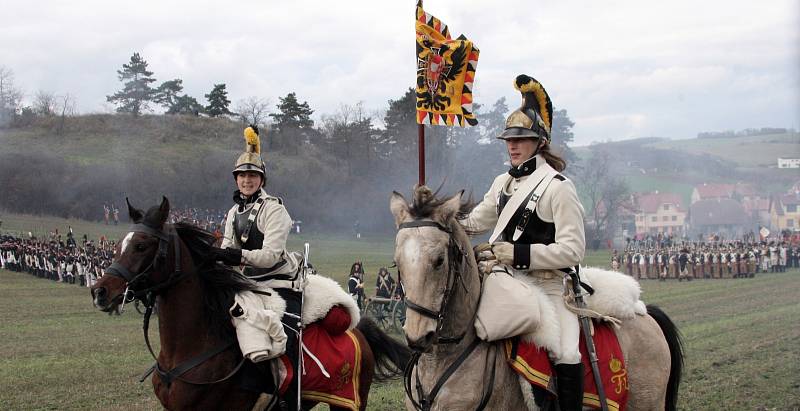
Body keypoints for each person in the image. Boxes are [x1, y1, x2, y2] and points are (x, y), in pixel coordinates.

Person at [458, 75, 586, 410]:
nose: (513, 146)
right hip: (506, 282)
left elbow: (573, 251)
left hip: (550, 287)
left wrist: (518, 254)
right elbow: (474, 223)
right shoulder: (502, 182)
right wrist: (438, 218)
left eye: (523, 140)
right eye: (509, 141)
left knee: (567, 350)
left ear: (539, 142)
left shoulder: (558, 187)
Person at [212, 125, 303, 410]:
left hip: (279, 281)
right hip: (247, 283)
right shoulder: (232, 212)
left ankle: (285, 390)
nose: (246, 180)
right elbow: (227, 246)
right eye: (242, 175)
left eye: (252, 175)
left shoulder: (275, 210)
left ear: (261, 179)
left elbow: (270, 256)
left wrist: (237, 257)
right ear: (236, 179)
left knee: (286, 331)